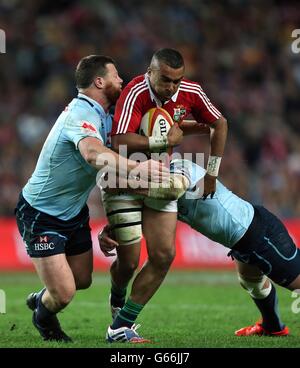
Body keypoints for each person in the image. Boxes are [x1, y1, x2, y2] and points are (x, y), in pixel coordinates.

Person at [14, 55, 168, 343]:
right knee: (64, 293)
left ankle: (41, 298)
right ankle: (43, 318)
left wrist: (112, 218)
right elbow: (93, 155)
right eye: (116, 75)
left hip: (73, 212)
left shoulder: (106, 116)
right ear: (99, 81)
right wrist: (140, 168)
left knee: (82, 280)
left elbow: (106, 169)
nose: (121, 80)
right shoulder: (80, 113)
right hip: (41, 212)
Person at [103, 48, 228, 343]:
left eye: (177, 80)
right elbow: (119, 139)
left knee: (163, 255)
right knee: (129, 262)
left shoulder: (191, 92)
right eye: (166, 80)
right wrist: (164, 138)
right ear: (150, 72)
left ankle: (120, 326)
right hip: (126, 180)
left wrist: (212, 173)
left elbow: (219, 123)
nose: (172, 87)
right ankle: (117, 294)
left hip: (160, 177)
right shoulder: (135, 91)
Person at [99, 159, 299, 338]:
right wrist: (111, 229)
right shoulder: (156, 188)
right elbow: (147, 217)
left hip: (259, 234)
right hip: (241, 241)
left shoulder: (180, 169)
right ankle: (273, 327)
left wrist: (119, 185)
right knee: (252, 283)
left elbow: (173, 189)